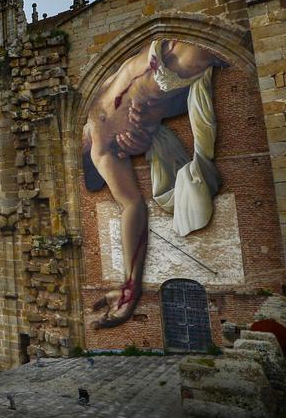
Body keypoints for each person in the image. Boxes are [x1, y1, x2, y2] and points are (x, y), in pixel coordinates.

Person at [83, 39, 225, 328]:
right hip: (166, 69)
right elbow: (132, 205)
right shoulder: (101, 148)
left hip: (162, 63)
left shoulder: (92, 112)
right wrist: (131, 286)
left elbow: (131, 205)